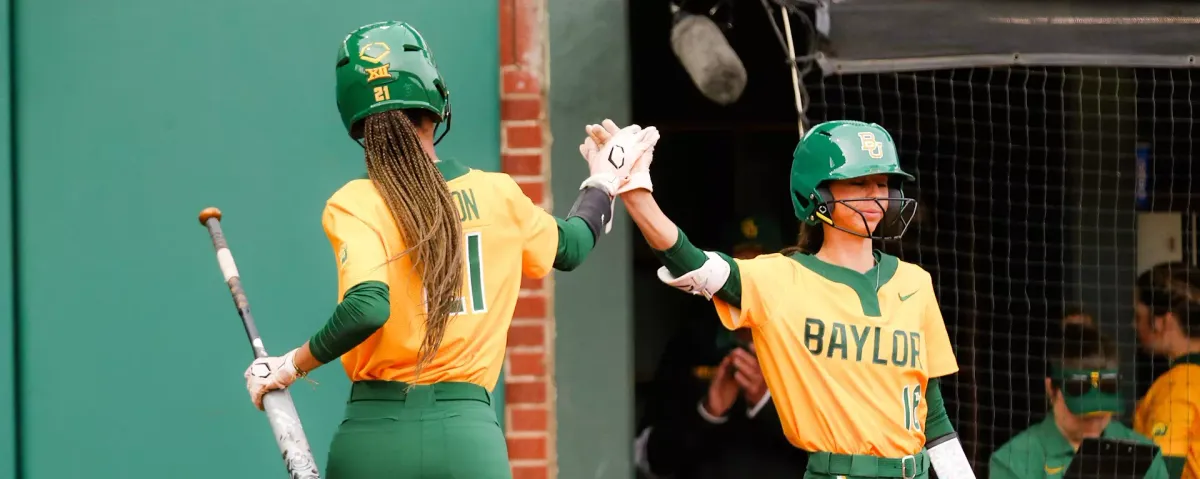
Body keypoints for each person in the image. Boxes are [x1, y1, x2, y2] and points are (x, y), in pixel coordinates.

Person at [238, 21, 657, 478]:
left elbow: (366, 308)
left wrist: (289, 366)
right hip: (466, 437)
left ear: (355, 118)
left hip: (374, 435)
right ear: (435, 105)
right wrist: (603, 180)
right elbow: (573, 246)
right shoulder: (497, 193)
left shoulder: (355, 201)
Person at [588, 119, 975, 478]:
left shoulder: (915, 282)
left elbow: (934, 415)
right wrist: (636, 192)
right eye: (860, 182)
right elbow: (693, 262)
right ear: (818, 192)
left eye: (884, 183)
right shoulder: (781, 278)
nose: (877, 194)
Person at [634, 215, 809, 478]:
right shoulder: (691, 344)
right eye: (737, 269)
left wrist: (766, 402)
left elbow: (836, 454)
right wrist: (708, 412)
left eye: (759, 269)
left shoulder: (808, 343)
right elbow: (649, 459)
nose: (747, 282)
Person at [989, 324, 1169, 478]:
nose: (1094, 423)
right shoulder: (1013, 461)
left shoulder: (1143, 454)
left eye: (1101, 414)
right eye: (1084, 415)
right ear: (1052, 389)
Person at [1134, 262, 1200, 478]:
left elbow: (1161, 473)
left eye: (1138, 316)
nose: (1134, 326)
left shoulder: (1174, 389)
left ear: (1163, 322)